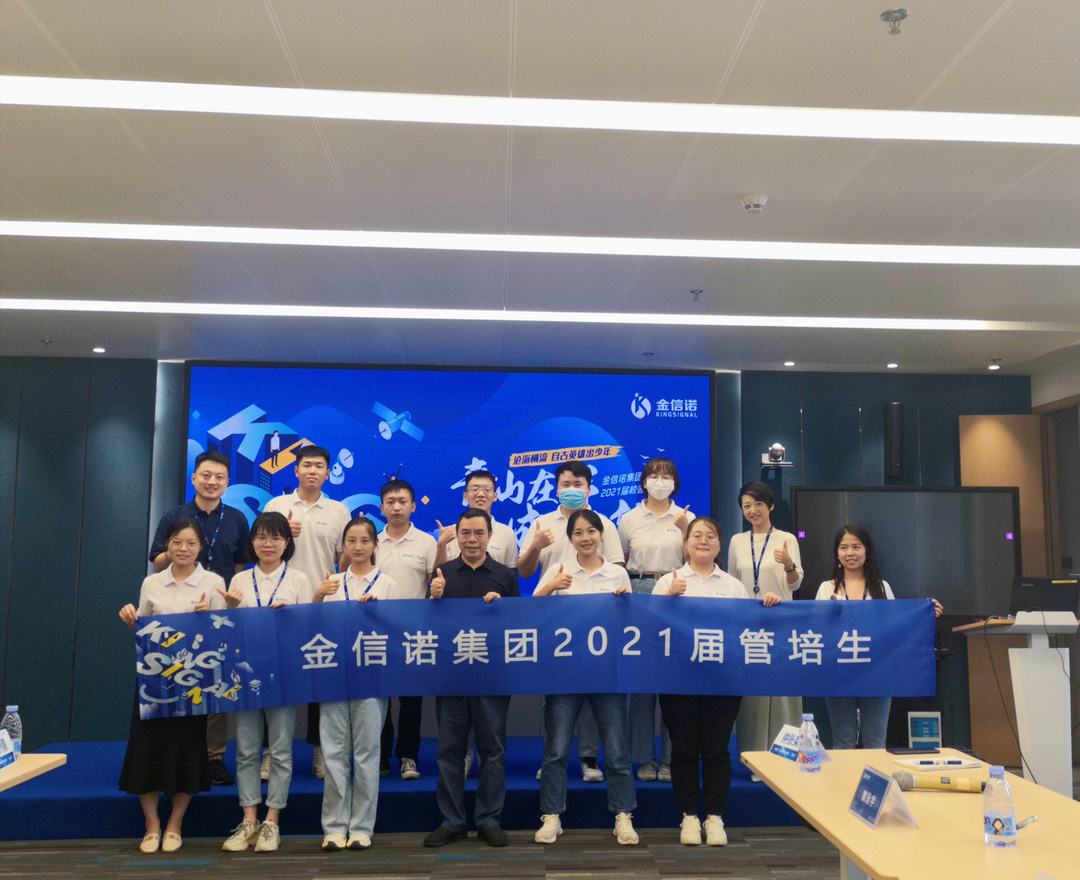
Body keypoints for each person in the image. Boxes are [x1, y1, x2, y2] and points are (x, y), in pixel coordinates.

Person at [653, 517, 781, 846]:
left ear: (719, 544)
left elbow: (747, 628)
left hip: (722, 681)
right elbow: (649, 627)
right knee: (683, 750)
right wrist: (668, 597)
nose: (703, 541)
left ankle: (715, 818)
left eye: (710, 536)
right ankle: (688, 817)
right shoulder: (668, 581)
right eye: (696, 536)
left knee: (717, 750)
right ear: (685, 544)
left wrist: (768, 606)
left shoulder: (733, 585)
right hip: (678, 680)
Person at [119, 518, 226, 853]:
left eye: (191, 543)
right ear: (167, 545)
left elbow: (222, 635)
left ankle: (175, 824)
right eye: (177, 542)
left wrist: (207, 619)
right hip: (154, 681)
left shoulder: (214, 582)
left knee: (187, 750)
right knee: (146, 749)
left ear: (201, 547)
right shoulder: (152, 582)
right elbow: (142, 631)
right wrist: (131, 620)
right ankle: (152, 825)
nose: (183, 549)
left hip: (192, 683)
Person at [533, 509, 639, 846]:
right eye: (578, 533)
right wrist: (551, 586)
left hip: (607, 673)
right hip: (565, 673)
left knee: (617, 750)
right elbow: (531, 612)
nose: (586, 538)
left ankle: (623, 815)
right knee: (556, 750)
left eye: (591, 531)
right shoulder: (559, 569)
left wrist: (624, 604)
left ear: (601, 535)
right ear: (570, 538)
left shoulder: (617, 574)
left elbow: (630, 624)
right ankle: (552, 816)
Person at [519, 460, 624, 783]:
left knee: (593, 697)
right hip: (557, 625)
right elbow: (524, 572)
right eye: (565, 484)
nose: (572, 490)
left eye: (578, 484)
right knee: (556, 699)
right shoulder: (541, 523)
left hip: (597, 627)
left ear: (589, 489)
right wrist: (537, 545)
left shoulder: (604, 524)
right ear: (556, 488)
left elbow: (615, 570)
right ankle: (554, 757)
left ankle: (588, 759)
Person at [148, 450, 249, 786]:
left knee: (215, 685)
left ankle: (213, 758)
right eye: (206, 475)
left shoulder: (236, 519)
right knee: (175, 683)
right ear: (194, 478)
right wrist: (180, 548)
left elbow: (239, 567)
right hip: (178, 613)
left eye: (219, 477)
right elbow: (156, 562)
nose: (212, 482)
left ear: (227, 482)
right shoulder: (174, 516)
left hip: (218, 613)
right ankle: (176, 757)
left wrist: (229, 604)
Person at [423, 508, 520, 848]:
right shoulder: (443, 573)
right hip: (451, 677)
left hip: (492, 677)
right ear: (457, 537)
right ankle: (452, 821)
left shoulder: (506, 575)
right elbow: (426, 627)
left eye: (479, 533)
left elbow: (517, 627)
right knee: (450, 751)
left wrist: (502, 606)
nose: (472, 539)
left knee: (492, 750)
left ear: (490, 536)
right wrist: (433, 598)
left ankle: (488, 820)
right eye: (465, 533)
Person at [219, 511, 310, 853]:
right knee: (245, 750)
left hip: (283, 673)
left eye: (275, 537)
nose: (267, 543)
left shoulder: (299, 579)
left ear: (287, 543)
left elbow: (309, 630)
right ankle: (249, 820)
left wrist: (293, 616)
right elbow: (227, 633)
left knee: (281, 750)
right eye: (261, 536)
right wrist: (229, 610)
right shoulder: (240, 579)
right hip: (245, 674)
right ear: (252, 542)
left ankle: (272, 821)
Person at [265, 444, 351, 779]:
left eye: (318, 466)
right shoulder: (277, 505)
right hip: (279, 604)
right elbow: (263, 548)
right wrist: (284, 533)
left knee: (320, 682)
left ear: (327, 473)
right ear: (296, 470)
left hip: (322, 606)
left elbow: (345, 558)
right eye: (306, 465)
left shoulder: (339, 511)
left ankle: (320, 750)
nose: (312, 470)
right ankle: (271, 751)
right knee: (276, 680)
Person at [815, 524, 943, 749]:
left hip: (877, 671)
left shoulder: (882, 587)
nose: (850, 553)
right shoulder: (827, 589)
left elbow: (896, 626)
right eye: (844, 547)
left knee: (875, 743)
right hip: (839, 672)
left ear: (867, 551)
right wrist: (831, 615)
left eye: (856, 547)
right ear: (837, 553)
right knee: (843, 742)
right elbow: (816, 630)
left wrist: (925, 614)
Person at [311, 517, 396, 850]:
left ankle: (361, 826)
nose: (358, 547)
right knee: (333, 753)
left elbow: (397, 631)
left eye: (364, 541)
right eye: (351, 541)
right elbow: (311, 628)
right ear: (343, 545)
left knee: (366, 754)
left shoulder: (387, 584)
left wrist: (379, 613)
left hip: (371, 679)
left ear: (375, 544)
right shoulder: (331, 583)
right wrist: (317, 596)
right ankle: (334, 827)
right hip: (333, 676)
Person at [617, 456, 692, 782]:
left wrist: (685, 529)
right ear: (644, 481)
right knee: (642, 681)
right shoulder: (629, 518)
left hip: (677, 592)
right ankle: (644, 758)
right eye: (654, 475)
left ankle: (671, 759)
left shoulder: (685, 517)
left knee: (672, 680)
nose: (660, 481)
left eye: (667, 476)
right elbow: (620, 561)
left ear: (675, 483)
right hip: (640, 592)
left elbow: (695, 558)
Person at [727, 481, 804, 770]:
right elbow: (732, 582)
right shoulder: (737, 541)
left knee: (784, 694)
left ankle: (784, 758)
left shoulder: (786, 539)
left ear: (770, 506)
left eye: (758, 504)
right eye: (746, 506)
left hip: (782, 622)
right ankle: (755, 761)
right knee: (752, 697)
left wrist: (788, 564)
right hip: (748, 626)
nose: (752, 510)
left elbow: (796, 584)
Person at [376, 478, 437, 780]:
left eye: (402, 501)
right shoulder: (372, 541)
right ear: (382, 507)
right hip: (377, 632)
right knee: (380, 700)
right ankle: (381, 757)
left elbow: (436, 584)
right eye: (390, 502)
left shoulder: (427, 542)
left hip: (414, 633)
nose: (397, 507)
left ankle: (408, 756)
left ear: (413, 506)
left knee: (411, 701)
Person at [434, 469, 519, 568]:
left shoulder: (507, 533)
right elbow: (439, 573)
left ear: (495, 496)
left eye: (487, 489)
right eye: (475, 489)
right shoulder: (451, 533)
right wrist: (442, 544)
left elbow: (511, 572)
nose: (481, 494)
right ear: (465, 496)